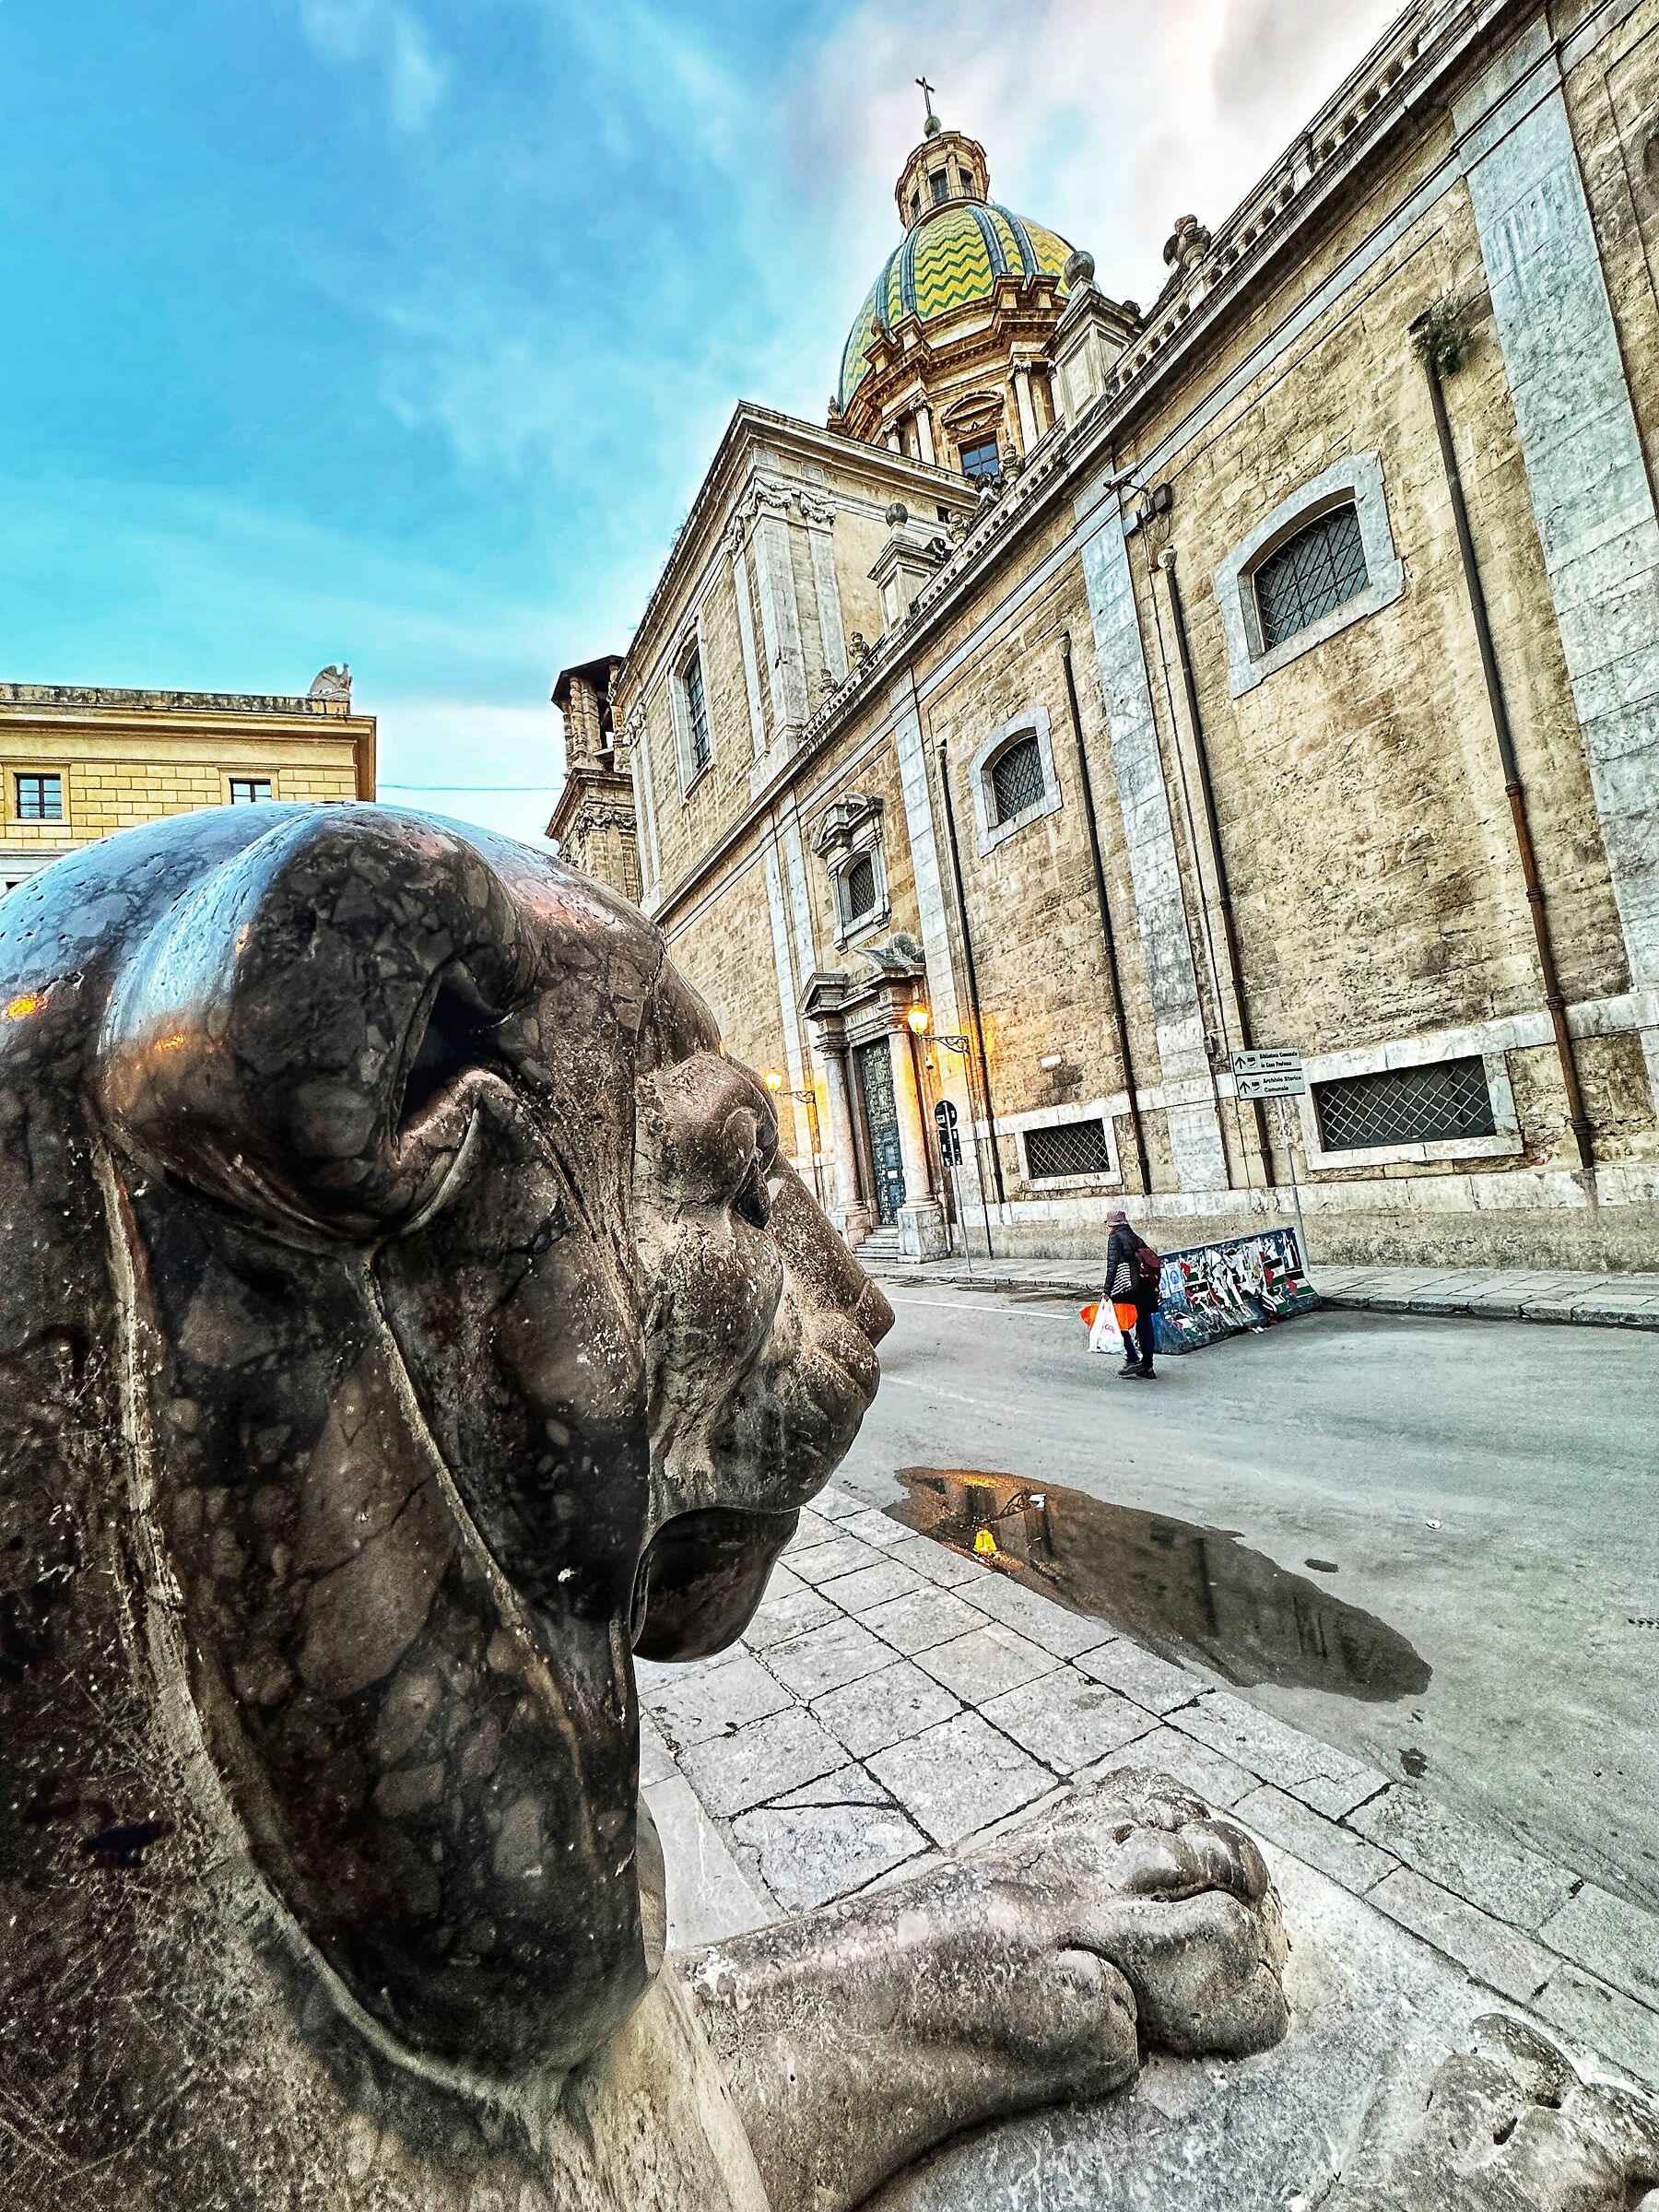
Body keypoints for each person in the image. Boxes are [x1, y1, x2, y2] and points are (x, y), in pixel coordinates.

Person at [1104, 1206, 1161, 1381]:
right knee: (1145, 1324)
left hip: (1127, 1288)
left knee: (1121, 1322)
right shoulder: (1136, 1237)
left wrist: (1106, 1290)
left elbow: (1112, 1266)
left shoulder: (1115, 1238)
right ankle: (1148, 1366)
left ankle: (1133, 1358)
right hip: (1145, 1286)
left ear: (1112, 1225)